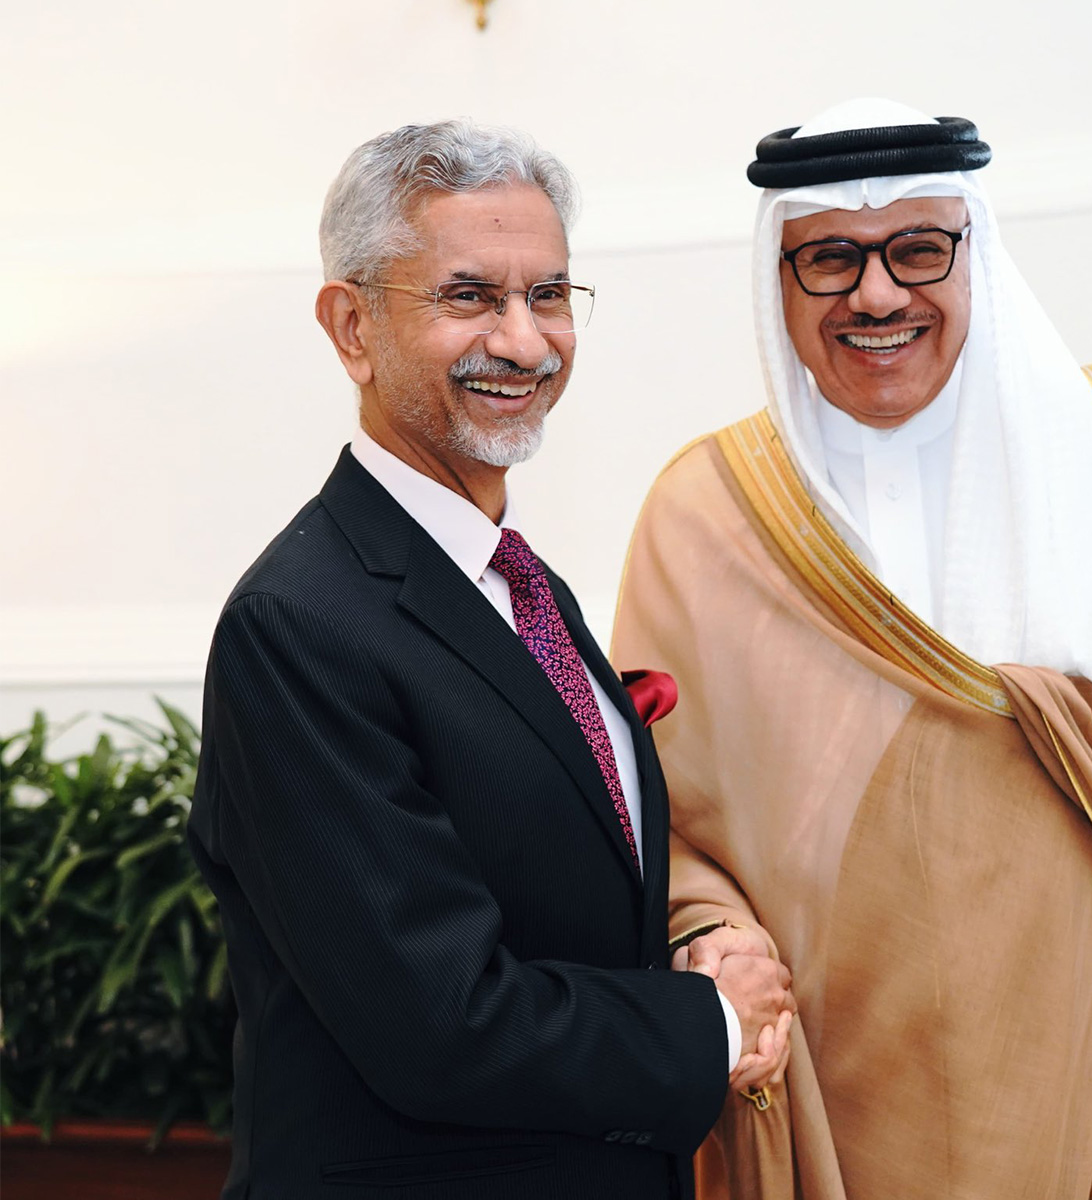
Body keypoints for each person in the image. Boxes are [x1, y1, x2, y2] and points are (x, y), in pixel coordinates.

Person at [613, 98, 1092, 1200]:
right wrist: (712, 940)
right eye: (829, 259)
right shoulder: (705, 517)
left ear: (975, 250)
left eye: (917, 249)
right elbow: (656, 826)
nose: (876, 294)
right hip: (841, 1112)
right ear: (777, 278)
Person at [187, 119, 794, 1200]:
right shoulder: (298, 625)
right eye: (469, 297)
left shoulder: (524, 586)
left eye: (549, 295)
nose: (523, 343)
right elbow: (438, 1022)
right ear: (351, 326)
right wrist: (709, 1020)